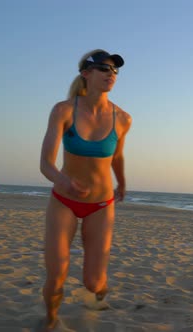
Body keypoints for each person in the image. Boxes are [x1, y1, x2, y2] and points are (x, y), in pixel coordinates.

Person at [39, 49, 132, 329]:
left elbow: (116, 156)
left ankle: (100, 292)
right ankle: (52, 319)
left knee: (93, 281)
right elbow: (45, 163)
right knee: (56, 274)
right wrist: (61, 180)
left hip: (101, 205)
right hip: (64, 200)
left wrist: (122, 182)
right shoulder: (64, 110)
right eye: (104, 69)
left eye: (115, 71)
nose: (111, 75)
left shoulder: (123, 118)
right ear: (86, 73)